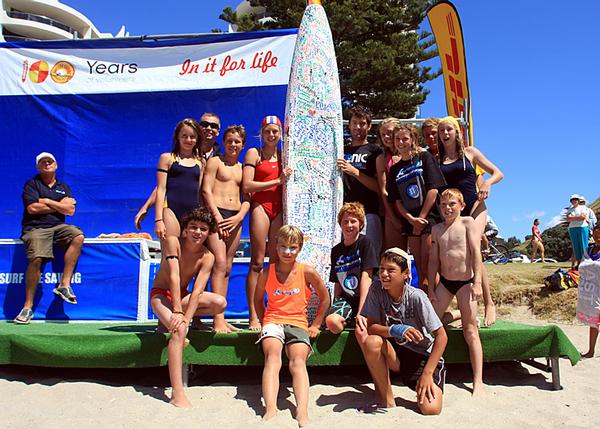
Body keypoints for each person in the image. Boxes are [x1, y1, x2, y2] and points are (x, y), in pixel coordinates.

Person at [150, 207, 226, 408]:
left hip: (182, 298)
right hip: (161, 295)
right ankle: (177, 393)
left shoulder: (207, 256)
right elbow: (174, 276)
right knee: (180, 330)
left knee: (220, 303)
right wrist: (177, 312)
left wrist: (186, 316)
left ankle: (169, 322)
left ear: (208, 233)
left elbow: (198, 291)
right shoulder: (174, 243)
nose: (197, 232)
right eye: (193, 227)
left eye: (202, 228)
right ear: (184, 231)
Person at [254, 225, 330, 427]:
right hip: (273, 321)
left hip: (297, 322)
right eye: (283, 247)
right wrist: (264, 321)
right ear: (276, 247)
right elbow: (257, 299)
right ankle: (270, 408)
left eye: (293, 247)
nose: (287, 252)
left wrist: (316, 324)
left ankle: (302, 411)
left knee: (297, 362)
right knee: (272, 358)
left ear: (300, 248)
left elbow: (325, 297)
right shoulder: (267, 272)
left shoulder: (306, 271)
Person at [360, 248, 447, 415]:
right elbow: (371, 327)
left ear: (405, 274)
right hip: (397, 353)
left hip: (422, 356)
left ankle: (454, 316)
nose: (384, 274)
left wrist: (428, 373)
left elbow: (442, 337)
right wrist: (395, 329)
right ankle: (386, 399)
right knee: (371, 342)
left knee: (431, 409)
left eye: (391, 270)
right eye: (381, 269)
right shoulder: (376, 289)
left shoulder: (416, 297)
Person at [437, 116, 503, 326]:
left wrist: (488, 184)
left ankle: (489, 303)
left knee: (474, 247)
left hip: (475, 207)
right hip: (453, 214)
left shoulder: (470, 152)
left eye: (449, 129)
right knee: (456, 256)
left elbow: (498, 172)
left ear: (457, 132)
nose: (445, 134)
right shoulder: (437, 160)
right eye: (442, 131)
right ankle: (463, 309)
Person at [14, 152, 85, 324]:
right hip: (35, 228)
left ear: (56, 165)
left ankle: (64, 285)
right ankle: (27, 307)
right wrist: (60, 205)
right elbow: (32, 209)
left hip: (58, 227)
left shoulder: (63, 186)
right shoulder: (32, 184)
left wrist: (47, 201)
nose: (47, 164)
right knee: (37, 258)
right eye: (43, 162)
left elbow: (70, 211)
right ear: (38, 167)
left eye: (50, 161)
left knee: (77, 235)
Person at [428, 188, 484, 396]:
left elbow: (475, 253)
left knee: (470, 332)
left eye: (452, 204)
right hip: (445, 282)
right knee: (431, 323)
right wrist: (432, 289)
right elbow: (433, 260)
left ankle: (478, 381)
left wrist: (477, 282)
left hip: (465, 283)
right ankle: (458, 314)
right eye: (443, 204)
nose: (447, 208)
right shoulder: (437, 230)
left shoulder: (467, 223)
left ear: (461, 206)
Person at [242, 115, 292, 330]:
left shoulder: (284, 155)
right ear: (261, 133)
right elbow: (247, 186)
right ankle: (253, 314)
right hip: (261, 206)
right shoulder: (255, 153)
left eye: (275, 131)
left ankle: (272, 311)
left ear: (281, 134)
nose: (272, 135)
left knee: (275, 263)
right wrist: (277, 181)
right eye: (268, 131)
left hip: (278, 208)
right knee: (256, 261)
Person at [134, 112, 221, 231]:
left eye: (213, 126)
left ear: (218, 131)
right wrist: (146, 207)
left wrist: (212, 215)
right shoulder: (173, 157)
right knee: (173, 246)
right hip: (175, 212)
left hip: (205, 214)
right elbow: (164, 186)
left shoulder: (219, 158)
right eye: (205, 124)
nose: (209, 128)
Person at [202, 125, 250, 333]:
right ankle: (217, 319)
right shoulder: (215, 162)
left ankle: (219, 315)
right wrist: (217, 217)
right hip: (217, 215)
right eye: (229, 140)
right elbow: (206, 190)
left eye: (237, 141)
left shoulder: (242, 168)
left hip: (235, 217)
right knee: (219, 264)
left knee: (227, 267)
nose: (233, 145)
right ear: (224, 142)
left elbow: (247, 197)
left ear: (243, 144)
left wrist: (239, 216)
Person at [386, 124, 446, 290]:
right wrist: (411, 219)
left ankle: (437, 307)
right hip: (410, 222)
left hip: (429, 219)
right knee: (419, 268)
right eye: (397, 139)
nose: (401, 142)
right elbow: (396, 200)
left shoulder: (424, 157)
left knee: (430, 268)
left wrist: (422, 217)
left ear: (413, 139)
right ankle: (424, 306)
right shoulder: (395, 169)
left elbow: (433, 189)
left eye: (405, 138)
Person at [325, 203, 378, 347]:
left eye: (353, 221)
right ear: (340, 225)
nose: (349, 225)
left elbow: (367, 278)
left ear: (360, 224)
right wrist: (334, 306)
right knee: (332, 322)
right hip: (346, 300)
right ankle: (349, 320)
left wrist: (362, 312)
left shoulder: (366, 243)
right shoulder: (336, 250)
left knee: (361, 331)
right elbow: (337, 282)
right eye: (345, 221)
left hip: (365, 298)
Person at [337, 105, 383, 253]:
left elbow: (379, 187)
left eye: (362, 123)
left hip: (368, 214)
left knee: (369, 259)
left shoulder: (375, 151)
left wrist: (355, 172)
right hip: (344, 215)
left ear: (369, 126)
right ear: (349, 125)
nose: (358, 127)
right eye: (354, 123)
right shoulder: (340, 151)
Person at [375, 117, 406, 250]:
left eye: (390, 132)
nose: (386, 137)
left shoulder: (417, 153)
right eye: (383, 135)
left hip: (416, 210)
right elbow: (383, 191)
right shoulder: (381, 159)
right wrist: (392, 218)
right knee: (395, 255)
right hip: (393, 211)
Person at [578, 224, 600, 358]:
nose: (598, 238)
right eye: (596, 236)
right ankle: (591, 351)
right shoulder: (589, 250)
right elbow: (582, 266)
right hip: (592, 292)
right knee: (594, 322)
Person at [566, 194, 590, 270]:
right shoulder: (570, 209)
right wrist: (577, 217)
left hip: (582, 227)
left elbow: (583, 217)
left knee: (583, 245)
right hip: (573, 228)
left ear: (578, 200)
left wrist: (573, 218)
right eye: (573, 200)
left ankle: (585, 262)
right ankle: (579, 262)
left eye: (575, 199)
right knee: (576, 246)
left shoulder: (583, 207)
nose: (574, 201)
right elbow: (568, 219)